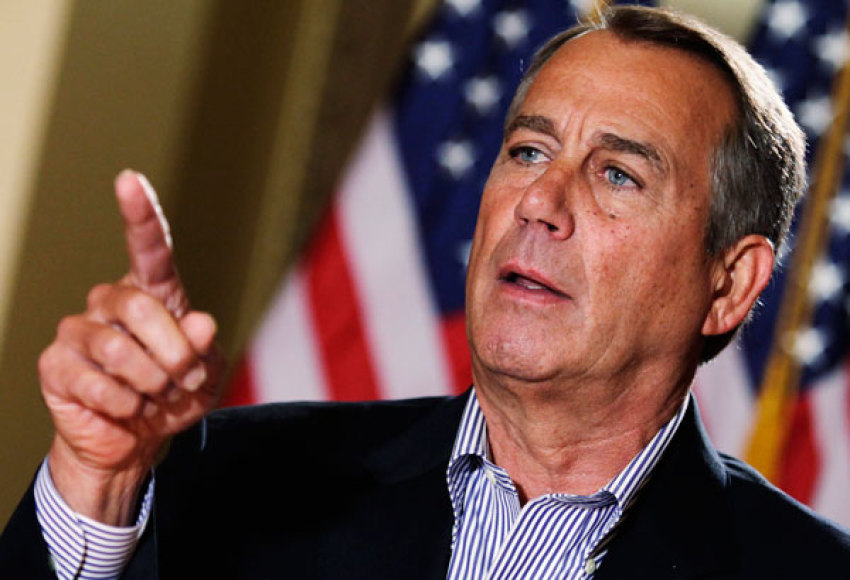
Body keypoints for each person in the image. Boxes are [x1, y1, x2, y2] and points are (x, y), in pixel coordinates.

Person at [2, 5, 849, 579]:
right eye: (527, 151)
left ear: (730, 284)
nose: (540, 204)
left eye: (618, 175)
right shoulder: (234, 480)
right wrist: (97, 484)